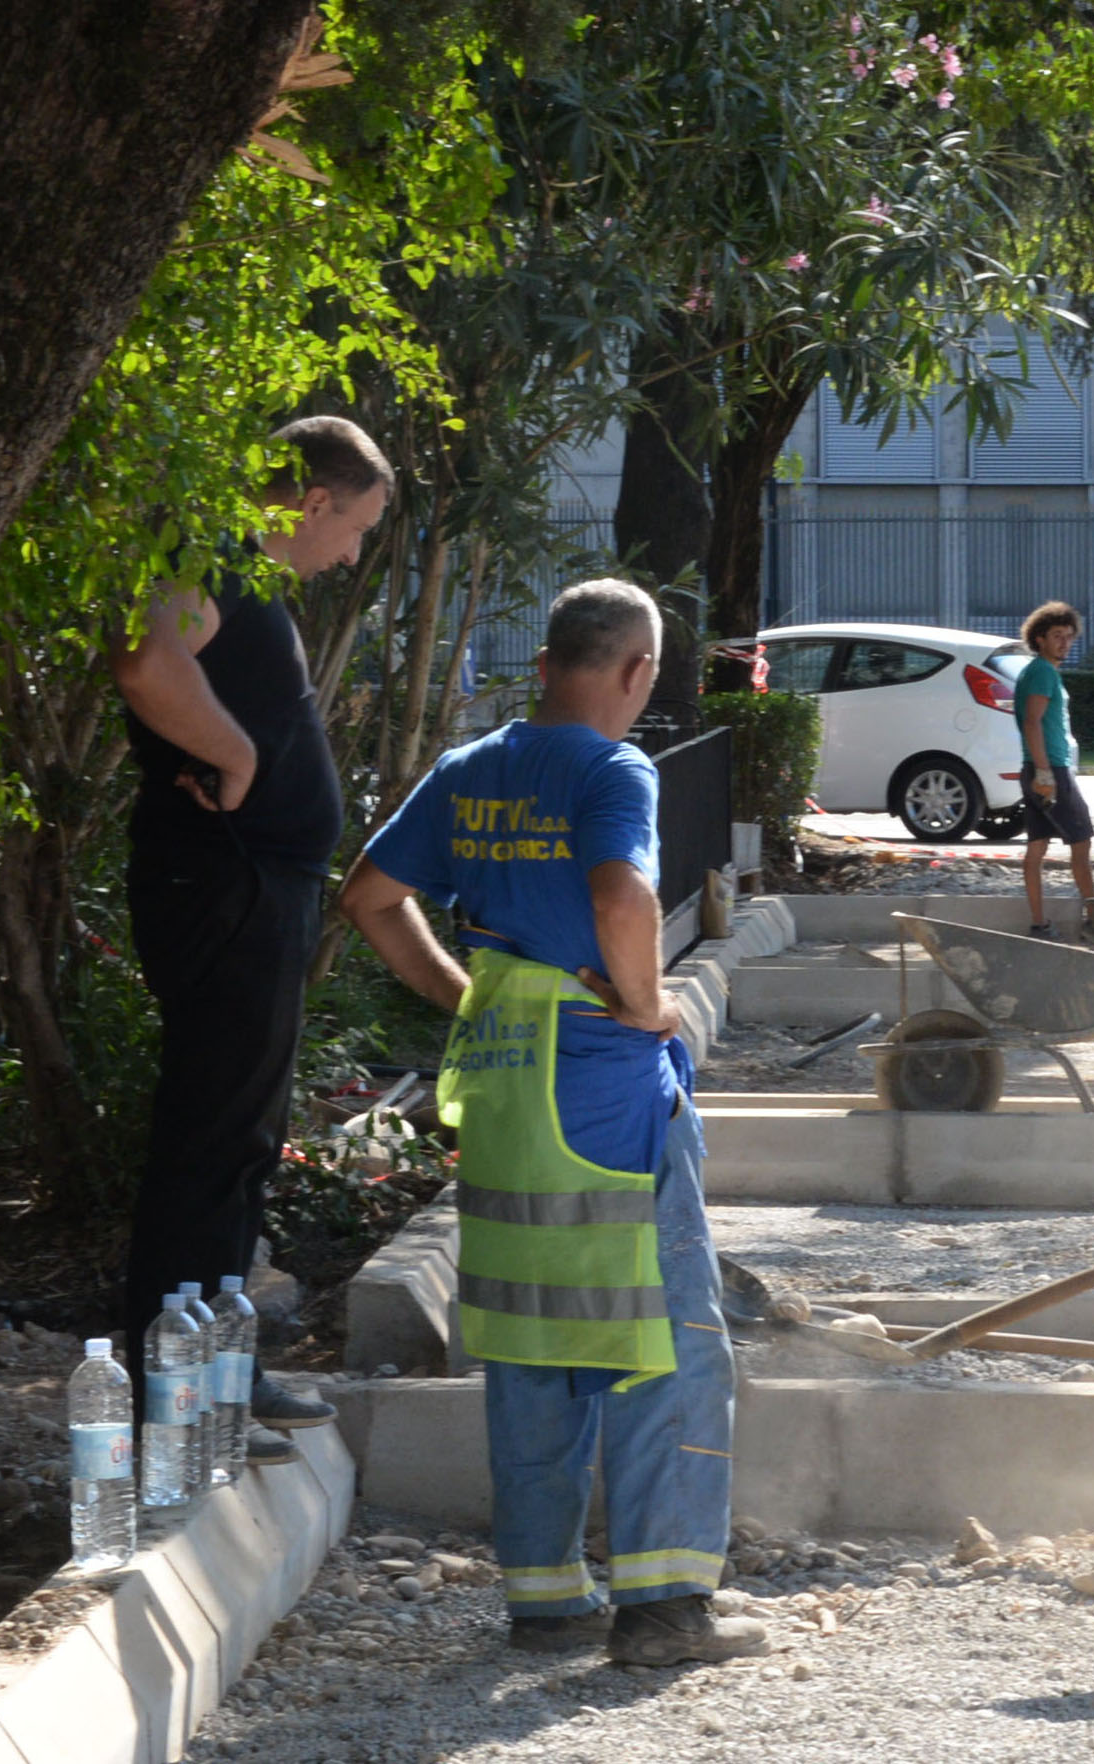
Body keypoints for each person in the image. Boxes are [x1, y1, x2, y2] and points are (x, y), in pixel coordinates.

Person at [342, 579, 770, 1668]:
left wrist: (462, 996)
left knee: (530, 1333)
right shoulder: (612, 768)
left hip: (500, 1076)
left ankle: (545, 1600)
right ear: (636, 672)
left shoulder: (468, 767)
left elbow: (369, 896)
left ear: (544, 661)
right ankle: (665, 1607)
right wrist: (645, 1001)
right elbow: (623, 895)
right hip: (600, 1086)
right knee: (663, 1335)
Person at [109, 414, 391, 1463]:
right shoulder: (211, 556)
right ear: (313, 500)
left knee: (240, 1143)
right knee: (211, 1139)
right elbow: (145, 661)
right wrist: (236, 755)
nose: (351, 555)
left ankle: (215, 1372)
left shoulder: (236, 572)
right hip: (227, 882)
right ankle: (178, 1396)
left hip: (254, 885)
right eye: (355, 528)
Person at [1014, 601, 1094, 940]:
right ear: (1040, 638)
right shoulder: (1043, 672)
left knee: (1037, 847)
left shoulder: (1035, 671)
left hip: (1034, 768)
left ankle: (1039, 924)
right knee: (1082, 842)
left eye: (1069, 636)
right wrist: (1045, 774)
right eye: (1057, 636)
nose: (1065, 643)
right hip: (1050, 770)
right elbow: (1032, 722)